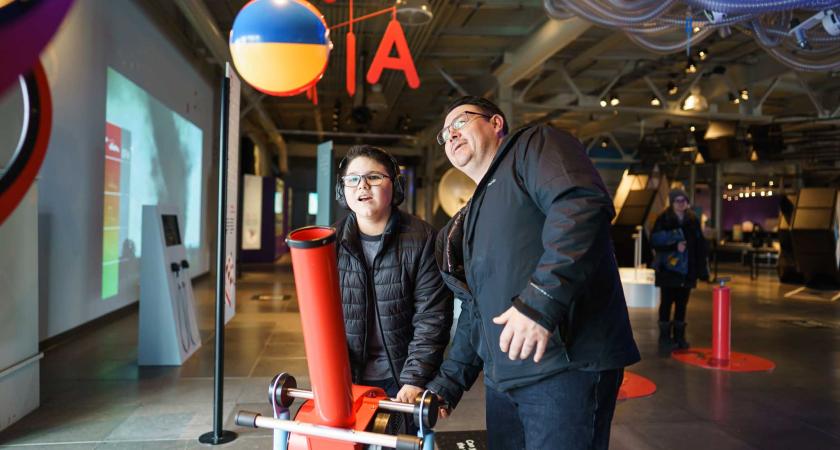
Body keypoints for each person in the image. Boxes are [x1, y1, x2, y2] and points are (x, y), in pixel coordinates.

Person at [426, 96, 641, 450]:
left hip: (563, 369)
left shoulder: (534, 146)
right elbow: (475, 310)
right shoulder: (472, 214)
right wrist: (449, 383)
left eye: (460, 122)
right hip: (504, 381)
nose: (451, 135)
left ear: (496, 123)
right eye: (445, 133)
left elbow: (580, 204)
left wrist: (540, 301)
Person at [333, 144, 453, 433]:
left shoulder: (422, 239)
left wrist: (414, 378)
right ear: (342, 191)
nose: (362, 185)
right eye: (353, 179)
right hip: (347, 378)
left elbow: (432, 317)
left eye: (374, 177)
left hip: (401, 377)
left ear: (395, 186)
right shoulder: (330, 242)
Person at [650, 188, 709, 351]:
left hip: (687, 270)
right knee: (667, 303)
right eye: (678, 200)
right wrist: (674, 245)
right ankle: (664, 338)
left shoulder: (693, 220)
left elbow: (700, 246)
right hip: (668, 269)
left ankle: (679, 337)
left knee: (682, 304)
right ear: (672, 202)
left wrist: (702, 270)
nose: (681, 203)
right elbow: (654, 241)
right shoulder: (664, 219)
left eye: (684, 200)